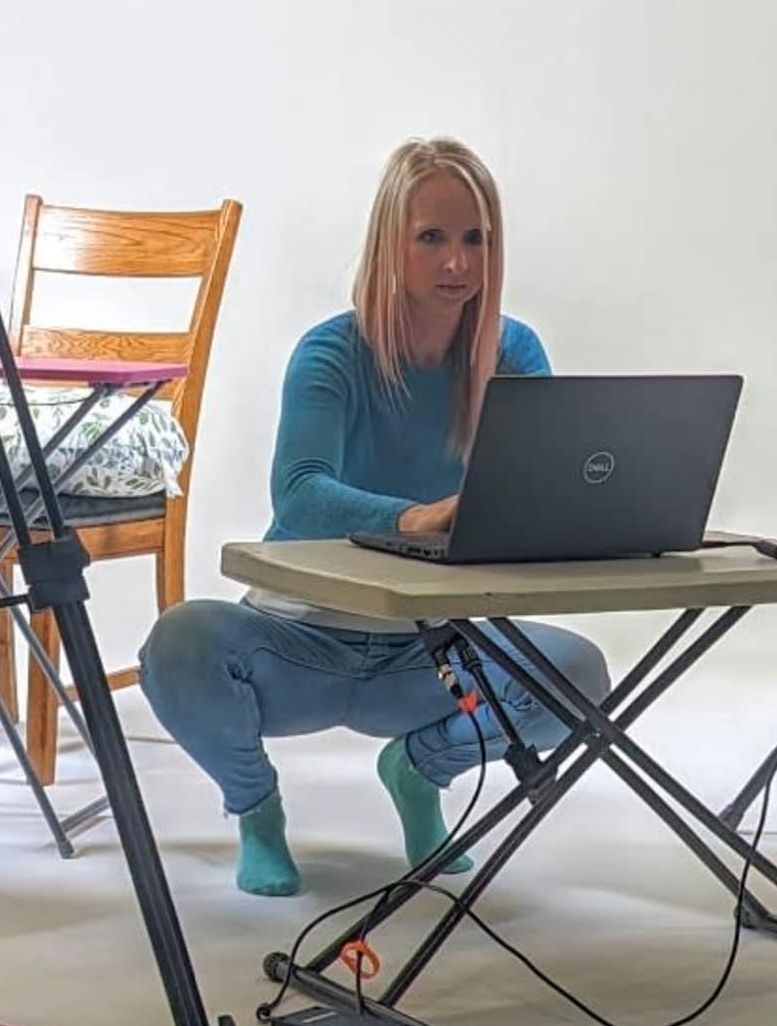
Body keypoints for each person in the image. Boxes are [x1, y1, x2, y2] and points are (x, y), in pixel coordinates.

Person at [137, 139, 611, 898]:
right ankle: (257, 811)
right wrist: (418, 517)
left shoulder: (514, 353)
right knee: (178, 644)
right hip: (301, 644)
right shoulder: (330, 352)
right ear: (391, 242)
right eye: (433, 238)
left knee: (580, 672)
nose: (457, 262)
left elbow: (542, 488)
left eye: (474, 239)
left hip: (429, 656)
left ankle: (419, 772)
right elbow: (300, 492)